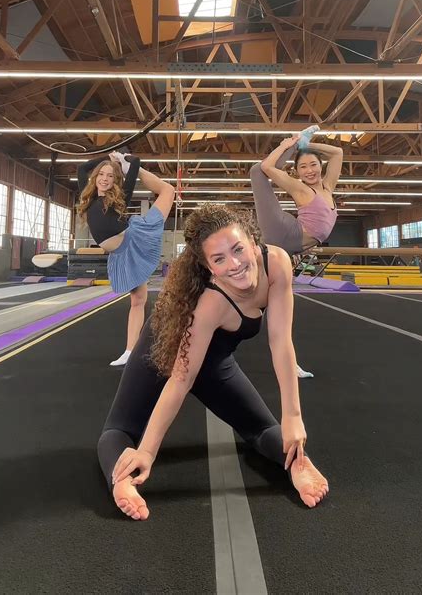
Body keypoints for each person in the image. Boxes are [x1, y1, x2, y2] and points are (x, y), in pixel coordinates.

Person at [98, 204, 329, 520]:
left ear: (252, 238)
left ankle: (299, 465)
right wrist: (148, 451)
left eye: (237, 249)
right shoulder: (211, 303)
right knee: (118, 431)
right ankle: (122, 480)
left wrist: (292, 416)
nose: (234, 264)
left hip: (214, 365)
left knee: (264, 429)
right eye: (219, 259)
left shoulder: (276, 264)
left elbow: (281, 342)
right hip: (163, 353)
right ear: (207, 267)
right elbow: (181, 379)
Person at [250, 126, 343, 379]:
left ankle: (289, 364)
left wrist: (307, 142)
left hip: (289, 248)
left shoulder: (328, 187)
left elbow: (337, 152)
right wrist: (288, 146)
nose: (310, 170)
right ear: (297, 172)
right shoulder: (302, 189)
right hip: (284, 233)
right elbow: (269, 168)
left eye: (313, 165)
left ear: (320, 166)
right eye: (303, 167)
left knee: (276, 304)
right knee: (258, 172)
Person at [77, 152, 174, 366]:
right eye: (101, 174)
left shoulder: (119, 198)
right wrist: (105, 159)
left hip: (135, 239)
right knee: (138, 300)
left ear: (115, 181)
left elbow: (136, 161)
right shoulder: (88, 197)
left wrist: (123, 160)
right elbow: (82, 168)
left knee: (168, 190)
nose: (104, 178)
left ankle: (133, 350)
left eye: (110, 176)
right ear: (95, 177)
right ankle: (131, 350)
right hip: (121, 254)